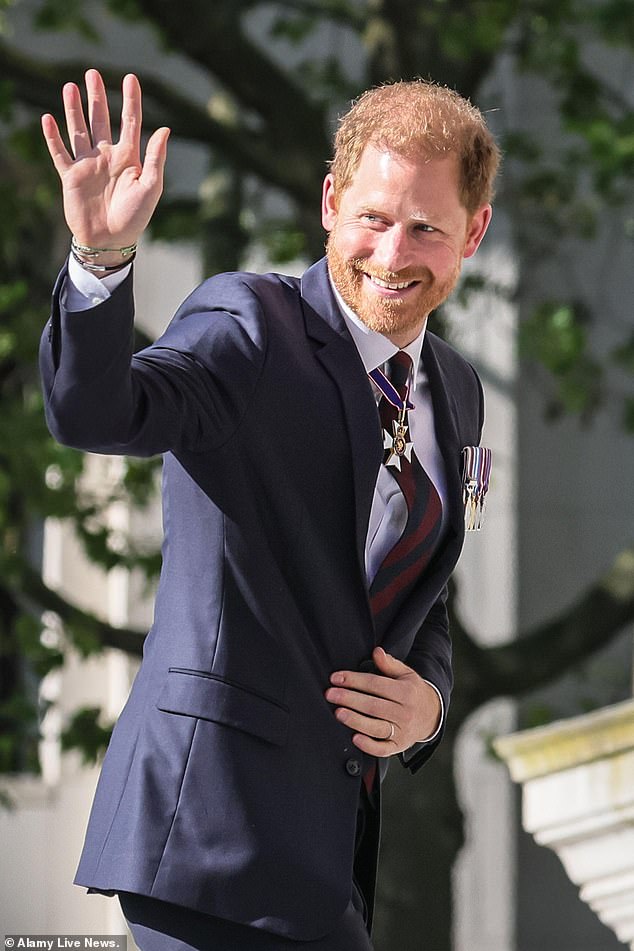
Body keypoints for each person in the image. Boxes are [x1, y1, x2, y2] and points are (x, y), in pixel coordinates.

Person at [40, 71, 499, 951]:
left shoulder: (460, 392)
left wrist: (428, 706)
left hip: (326, 858)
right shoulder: (246, 324)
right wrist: (101, 264)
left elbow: (418, 589)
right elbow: (98, 413)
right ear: (330, 201)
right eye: (371, 216)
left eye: (426, 228)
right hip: (204, 836)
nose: (392, 253)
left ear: (473, 232)